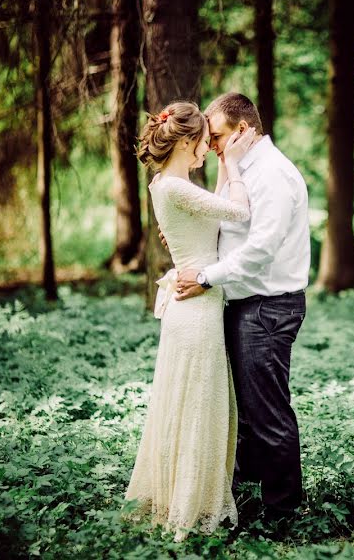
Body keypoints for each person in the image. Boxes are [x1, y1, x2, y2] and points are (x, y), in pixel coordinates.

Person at [172, 92, 311, 527]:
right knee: (246, 416)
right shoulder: (240, 170)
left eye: (216, 137)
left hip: (268, 309)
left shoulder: (271, 174)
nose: (209, 144)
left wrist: (206, 277)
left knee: (268, 414)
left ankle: (283, 515)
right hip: (243, 305)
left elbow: (261, 250)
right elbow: (228, 226)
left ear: (244, 130)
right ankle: (249, 505)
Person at [123, 100, 257, 542]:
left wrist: (220, 164)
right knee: (199, 407)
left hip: (193, 305)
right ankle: (190, 508)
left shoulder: (166, 184)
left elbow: (209, 211)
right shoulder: (177, 188)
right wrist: (234, 165)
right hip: (196, 311)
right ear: (184, 141)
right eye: (203, 144)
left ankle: (189, 497)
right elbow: (236, 212)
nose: (206, 152)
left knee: (189, 404)